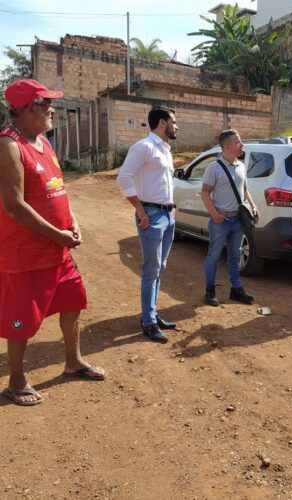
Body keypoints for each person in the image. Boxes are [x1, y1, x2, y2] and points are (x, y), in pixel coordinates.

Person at [0, 79, 105, 406]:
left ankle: (72, 361)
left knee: (73, 302)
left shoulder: (43, 141)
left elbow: (57, 187)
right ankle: (16, 381)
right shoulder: (9, 146)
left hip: (56, 250)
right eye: (45, 103)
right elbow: (14, 205)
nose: (51, 109)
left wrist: (71, 221)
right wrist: (58, 234)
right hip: (23, 254)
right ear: (26, 108)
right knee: (20, 320)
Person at [117, 106, 178, 344]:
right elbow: (123, 177)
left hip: (167, 214)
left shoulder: (164, 149)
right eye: (173, 121)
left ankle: (152, 314)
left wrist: (172, 207)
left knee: (160, 267)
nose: (176, 126)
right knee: (151, 269)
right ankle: (148, 321)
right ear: (162, 123)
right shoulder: (144, 147)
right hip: (150, 214)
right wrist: (140, 211)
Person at [201, 129, 259, 306]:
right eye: (238, 143)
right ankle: (210, 291)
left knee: (235, 255)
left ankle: (236, 289)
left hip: (238, 221)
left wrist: (253, 205)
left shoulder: (241, 166)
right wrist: (215, 215)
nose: (242, 145)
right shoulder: (213, 168)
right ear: (227, 146)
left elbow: (245, 190)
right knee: (214, 256)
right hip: (221, 221)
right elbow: (204, 193)